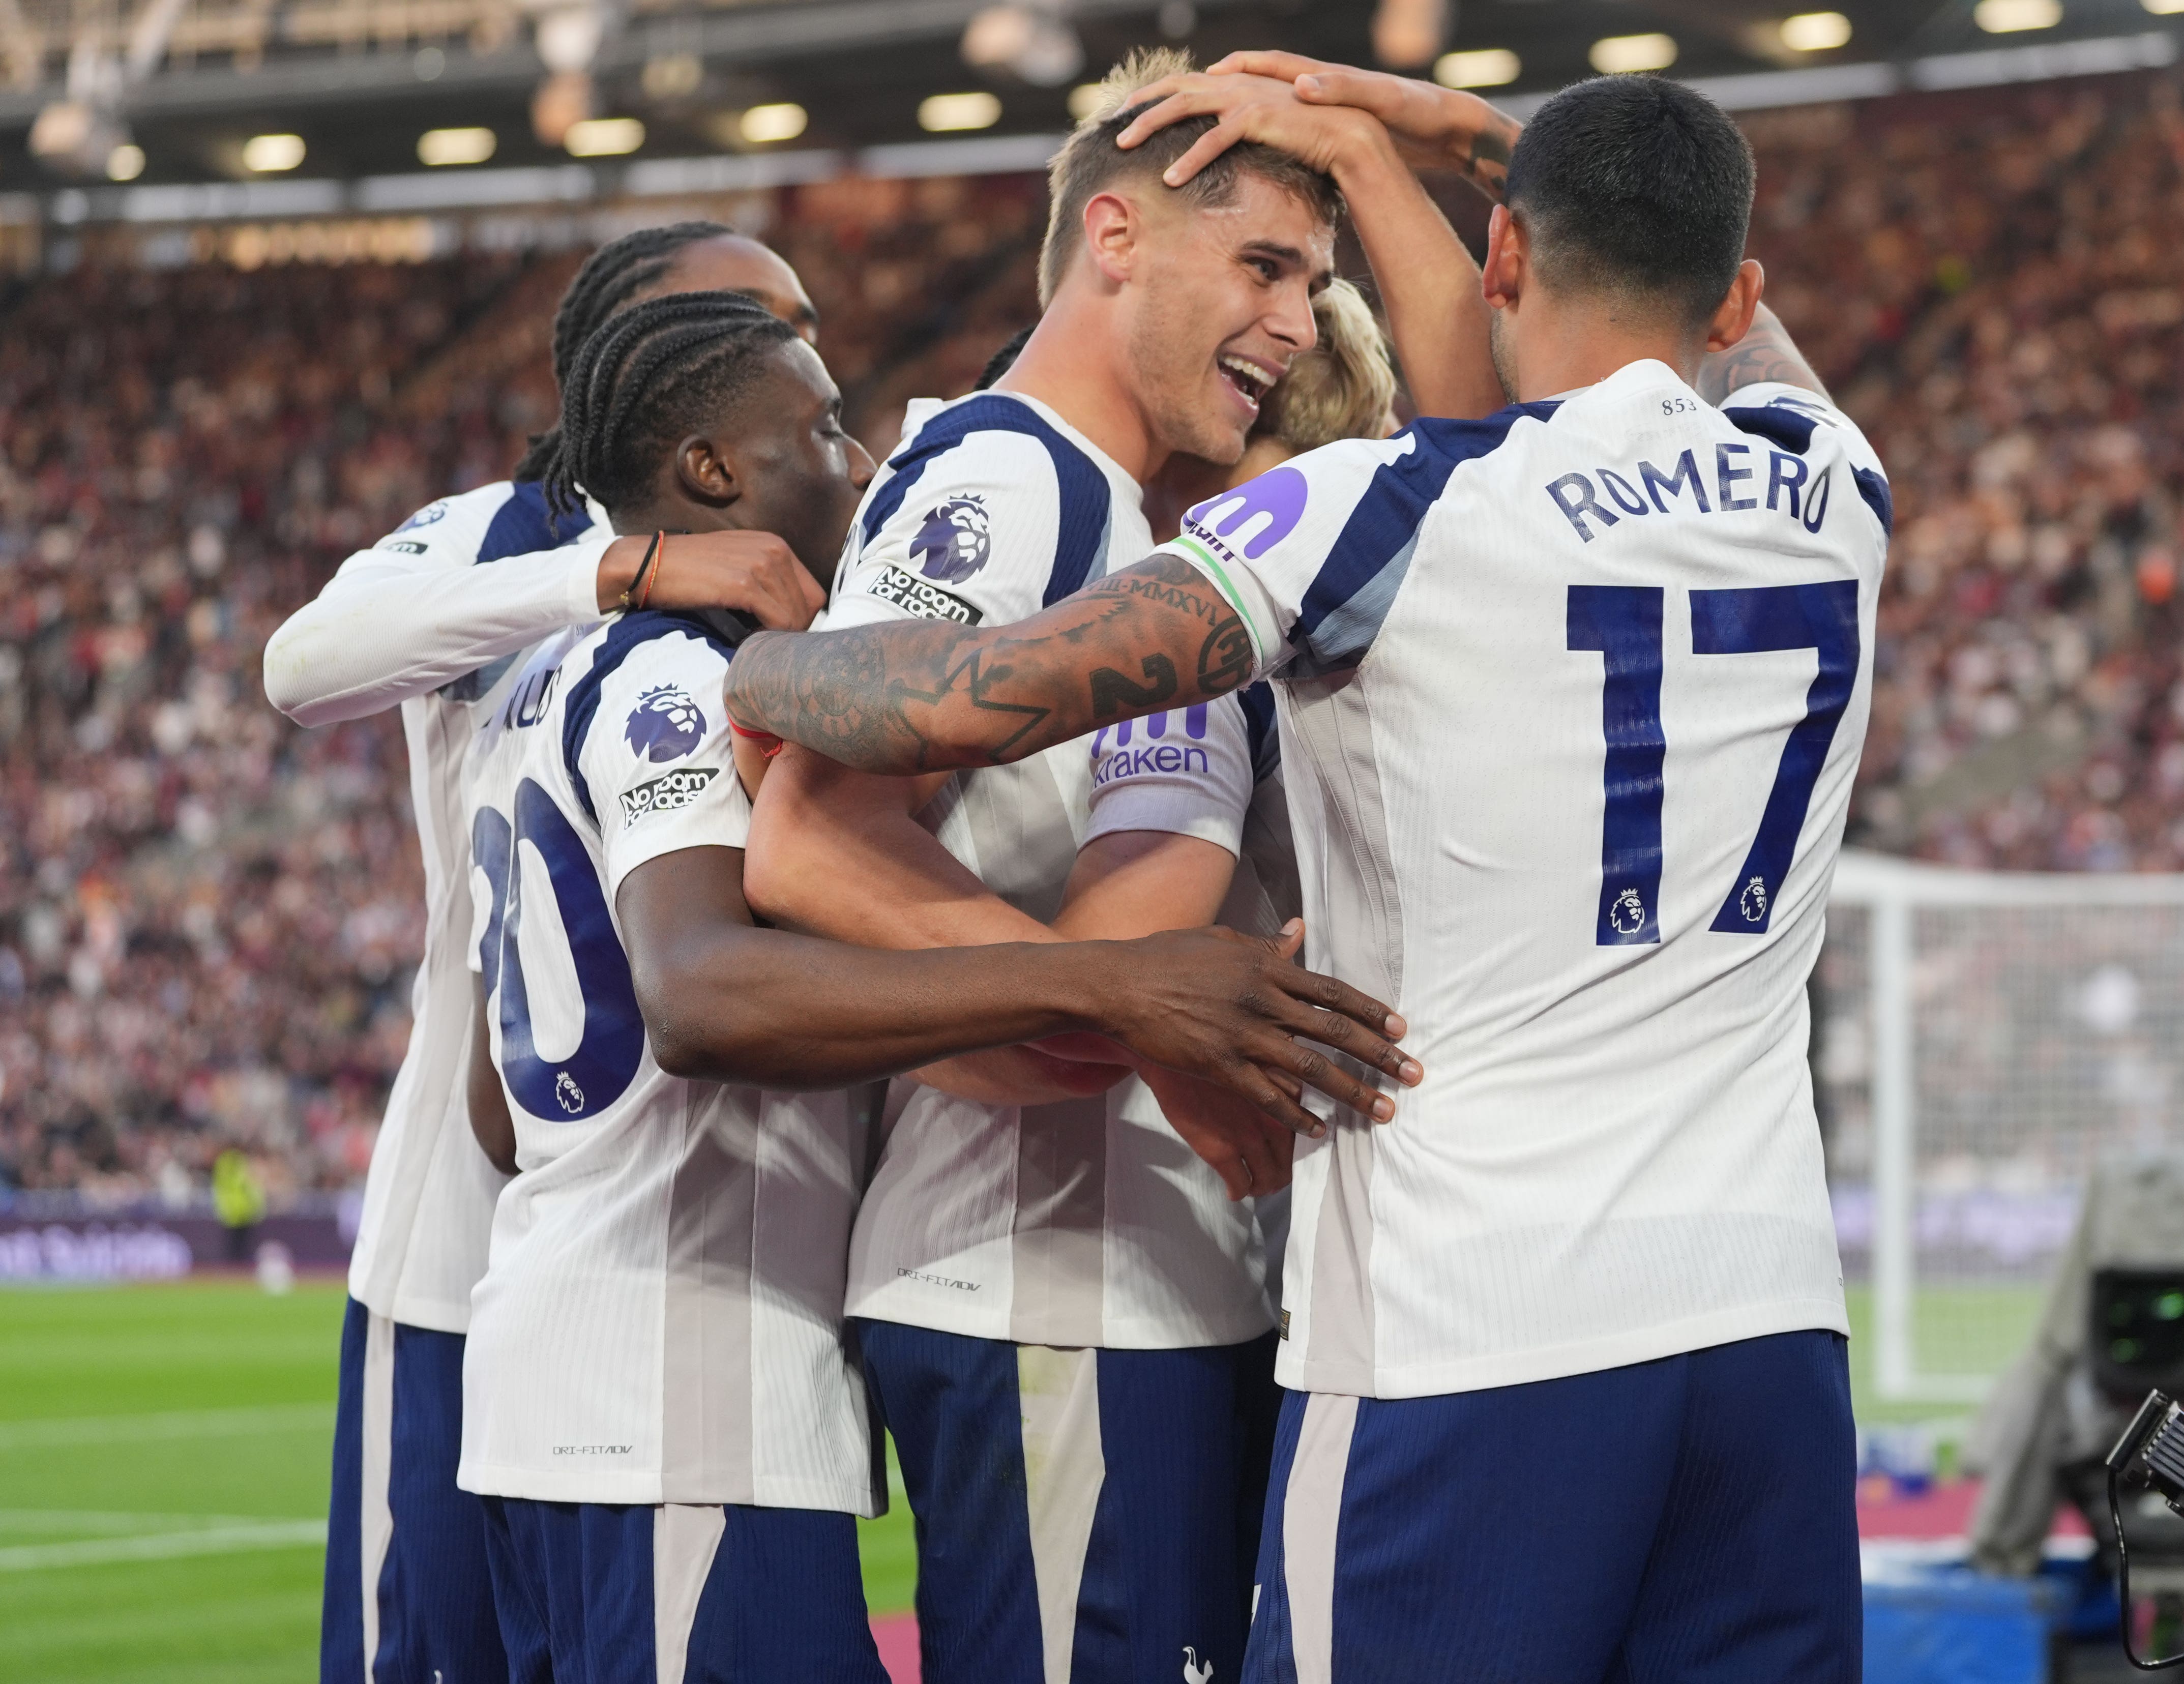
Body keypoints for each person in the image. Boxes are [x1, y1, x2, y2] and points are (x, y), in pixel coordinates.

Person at [725, 72, 1886, 1681]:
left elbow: (953, 702)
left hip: (1466, 1324)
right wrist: (1428, 132)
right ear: (1737, 295)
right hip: (1765, 1326)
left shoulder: (1369, 513)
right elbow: (1683, 328)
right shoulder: (1836, 483)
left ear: (1503, 260)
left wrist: (763, 666)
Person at [454, 290, 1414, 1680]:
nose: (861, 464)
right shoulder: (701, 676)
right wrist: (1139, 1004)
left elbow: (500, 1106)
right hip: (840, 1336)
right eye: (822, 432)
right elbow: (711, 991)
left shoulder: (551, 677)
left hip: (644, 1351)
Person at [736, 49, 1502, 1684]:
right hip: (1048, 1281)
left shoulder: (1116, 508)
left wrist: (1120, 1014)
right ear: (1117, 236)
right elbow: (808, 832)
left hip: (1114, 1276)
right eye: (1265, 267)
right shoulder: (1011, 476)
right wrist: (1109, 1014)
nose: (1294, 321)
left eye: (1313, 282)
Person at [264, 221, 862, 1684]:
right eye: (745, 316)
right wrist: (614, 569)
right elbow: (301, 665)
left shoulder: (791, 558)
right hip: (456, 1253)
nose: (787, 345)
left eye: (796, 324)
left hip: (641, 1250)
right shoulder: (501, 530)